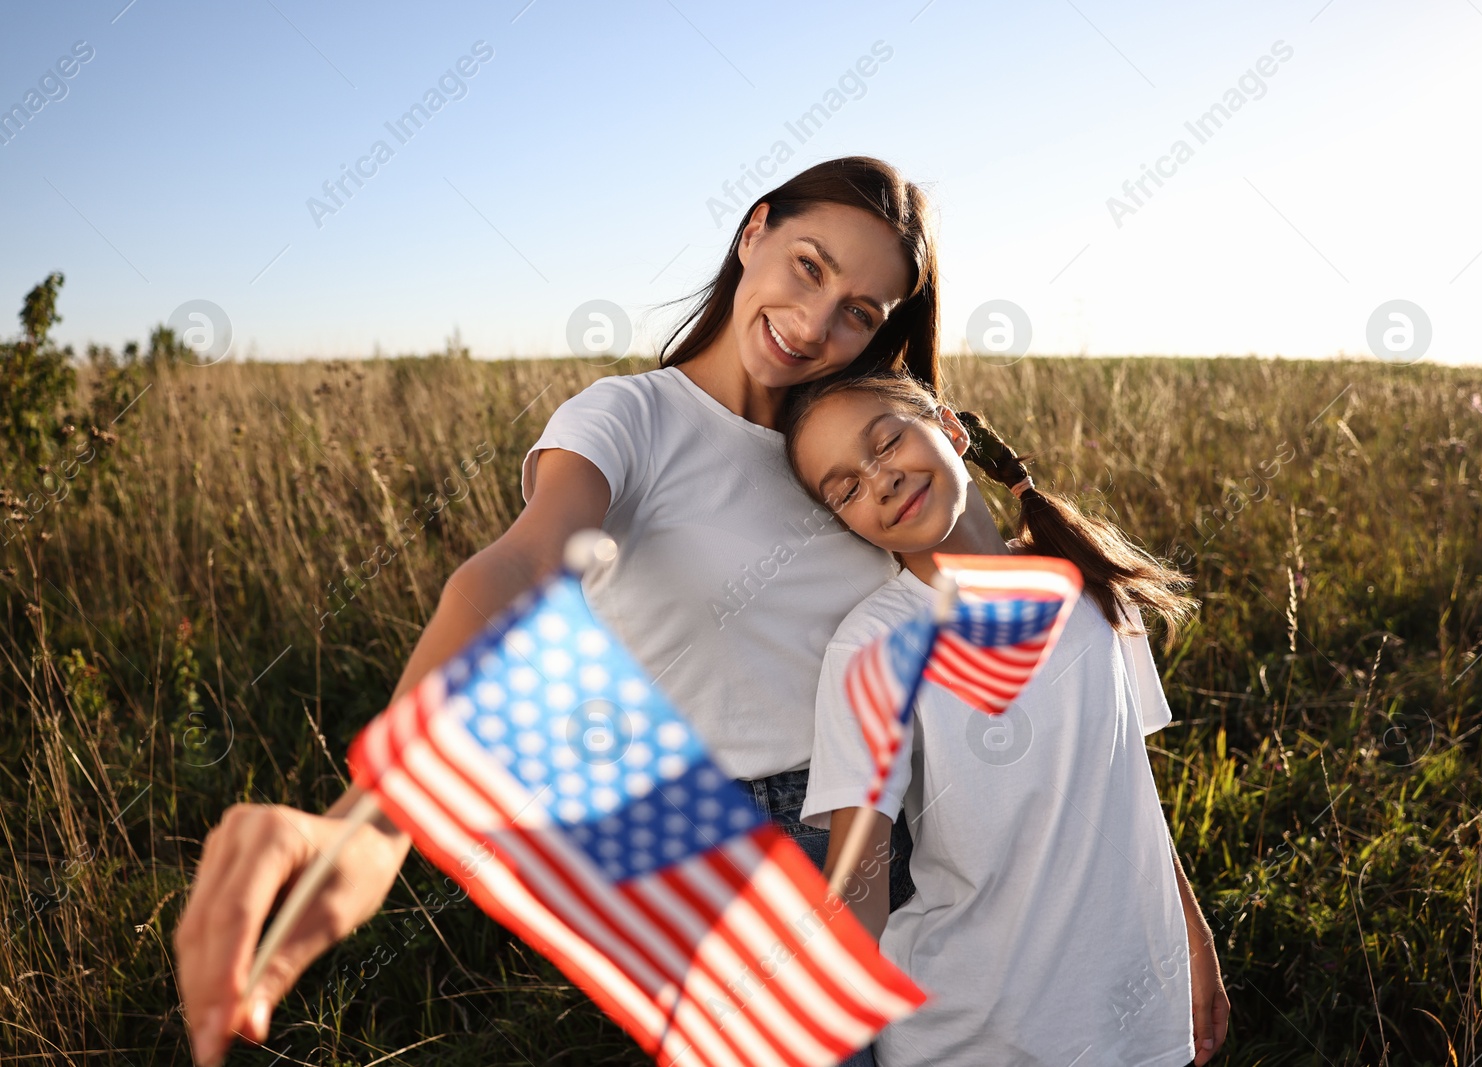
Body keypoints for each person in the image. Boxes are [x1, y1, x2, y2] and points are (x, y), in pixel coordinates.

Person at [173, 157, 937, 1067]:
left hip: (888, 821)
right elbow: (523, 565)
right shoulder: (630, 418)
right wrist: (370, 820)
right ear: (754, 232)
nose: (816, 324)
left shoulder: (847, 443)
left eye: (860, 311)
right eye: (808, 265)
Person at [782, 371, 1232, 1066]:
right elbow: (860, 875)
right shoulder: (873, 646)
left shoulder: (1089, 583)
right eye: (843, 488)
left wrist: (1193, 936)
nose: (879, 482)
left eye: (886, 442)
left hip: (1135, 1011)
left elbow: (1128, 786)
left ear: (952, 430)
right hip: (973, 1036)